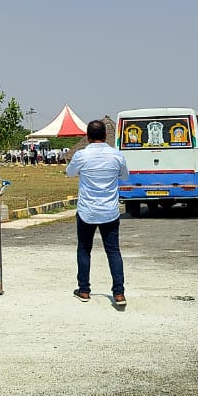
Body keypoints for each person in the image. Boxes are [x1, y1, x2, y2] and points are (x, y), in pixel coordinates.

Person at [65, 119, 130, 310]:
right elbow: (125, 176)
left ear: (87, 137)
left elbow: (70, 173)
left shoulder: (81, 155)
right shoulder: (116, 155)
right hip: (110, 211)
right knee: (113, 251)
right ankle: (118, 293)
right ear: (105, 135)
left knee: (84, 249)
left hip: (87, 210)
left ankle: (84, 290)